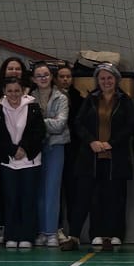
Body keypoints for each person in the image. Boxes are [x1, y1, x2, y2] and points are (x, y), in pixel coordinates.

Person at [75, 62, 134, 249]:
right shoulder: (91, 99)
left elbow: (130, 126)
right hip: (93, 157)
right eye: (102, 78)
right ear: (97, 80)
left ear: (116, 79)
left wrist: (112, 143)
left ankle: (115, 234)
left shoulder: (125, 100)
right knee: (96, 197)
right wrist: (91, 141)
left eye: (109, 78)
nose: (106, 81)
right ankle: (97, 233)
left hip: (116, 157)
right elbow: (78, 123)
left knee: (115, 196)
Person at [0, 76, 45, 248]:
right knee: (11, 198)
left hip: (30, 160)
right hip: (8, 161)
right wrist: (12, 150)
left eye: (17, 91)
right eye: (10, 91)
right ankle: (11, 235)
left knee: (28, 198)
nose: (13, 94)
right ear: (4, 92)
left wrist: (24, 148)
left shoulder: (33, 109)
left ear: (23, 91)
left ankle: (27, 236)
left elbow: (38, 132)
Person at [0, 56, 31, 244]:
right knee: (4, 190)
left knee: (25, 192)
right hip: (3, 151)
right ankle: (2, 227)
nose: (14, 71)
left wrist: (23, 147)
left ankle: (25, 231)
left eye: (17, 68)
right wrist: (10, 147)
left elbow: (34, 124)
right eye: (10, 68)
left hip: (27, 154)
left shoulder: (30, 94)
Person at [29, 61, 69, 248]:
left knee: (52, 190)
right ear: (33, 79)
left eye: (46, 75)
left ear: (51, 77)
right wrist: (46, 121)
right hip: (35, 148)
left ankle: (52, 231)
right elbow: (27, 124)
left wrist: (39, 122)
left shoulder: (61, 97)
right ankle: (41, 231)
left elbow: (60, 125)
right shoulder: (29, 98)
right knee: (38, 191)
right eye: (39, 76)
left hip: (56, 147)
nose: (43, 78)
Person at [54, 61, 82, 247]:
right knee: (54, 190)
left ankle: (73, 231)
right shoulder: (50, 97)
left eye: (68, 76)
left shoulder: (79, 98)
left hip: (73, 150)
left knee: (72, 191)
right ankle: (55, 227)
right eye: (62, 76)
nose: (65, 79)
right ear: (56, 79)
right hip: (54, 147)